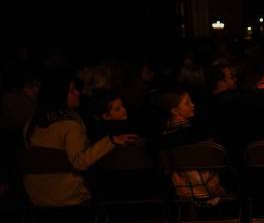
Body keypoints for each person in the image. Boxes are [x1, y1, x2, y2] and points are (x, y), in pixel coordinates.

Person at [23, 69, 137, 207]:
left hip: (36, 195)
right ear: (58, 94)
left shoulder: (31, 123)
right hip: (67, 196)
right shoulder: (69, 126)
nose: (78, 93)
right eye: (72, 90)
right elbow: (80, 162)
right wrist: (112, 141)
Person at [155, 88, 225, 205]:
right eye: (187, 103)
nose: (193, 105)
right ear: (175, 110)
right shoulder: (198, 135)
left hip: (180, 190)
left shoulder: (164, 136)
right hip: (209, 187)